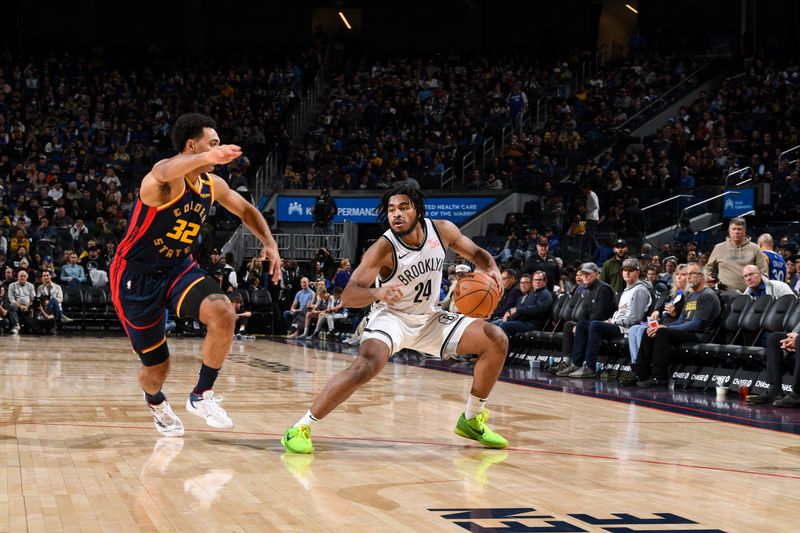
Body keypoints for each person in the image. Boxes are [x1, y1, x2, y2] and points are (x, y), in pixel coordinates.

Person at [281, 185, 509, 454]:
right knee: (368, 364)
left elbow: (477, 253)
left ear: (418, 210)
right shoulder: (383, 248)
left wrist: (492, 268)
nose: (396, 214)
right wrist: (379, 291)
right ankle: (300, 427)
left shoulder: (443, 230)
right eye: (391, 210)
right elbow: (349, 296)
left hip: (428, 317)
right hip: (391, 317)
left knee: (496, 339)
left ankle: (471, 419)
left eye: (403, 207)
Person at [109, 113, 281, 437]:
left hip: (177, 268)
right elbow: (162, 169)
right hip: (135, 277)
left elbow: (245, 210)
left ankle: (201, 394)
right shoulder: (162, 183)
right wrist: (207, 156)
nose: (219, 149)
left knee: (223, 312)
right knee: (157, 368)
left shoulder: (212, 185)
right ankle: (156, 403)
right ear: (192, 145)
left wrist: (269, 243)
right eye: (212, 143)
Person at [557, 258, 652, 378]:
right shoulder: (627, 290)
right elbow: (620, 312)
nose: (627, 273)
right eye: (625, 270)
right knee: (581, 325)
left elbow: (635, 319)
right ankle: (576, 364)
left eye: (631, 270)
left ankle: (590, 367)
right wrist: (612, 320)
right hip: (618, 324)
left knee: (595, 325)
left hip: (628, 329)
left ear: (637, 273)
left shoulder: (640, 290)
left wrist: (613, 321)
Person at [634, 262, 721, 387]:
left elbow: (695, 325)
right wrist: (660, 326)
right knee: (649, 331)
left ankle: (659, 377)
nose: (688, 277)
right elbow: (681, 321)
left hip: (700, 335)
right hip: (687, 332)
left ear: (702, 276)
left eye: (692, 273)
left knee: (662, 332)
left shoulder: (707, 295)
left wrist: (665, 327)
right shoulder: (691, 295)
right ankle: (640, 373)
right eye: (688, 274)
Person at [705, 217, 767, 291]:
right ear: (729, 231)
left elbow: (763, 273)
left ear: (744, 231)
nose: (736, 232)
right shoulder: (719, 248)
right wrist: (707, 276)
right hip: (724, 294)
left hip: (750, 295)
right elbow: (708, 267)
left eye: (739, 229)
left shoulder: (755, 248)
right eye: (733, 229)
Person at [495, 272, 553, 338]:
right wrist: (509, 312)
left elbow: (537, 308)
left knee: (504, 325)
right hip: (523, 321)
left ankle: (507, 347)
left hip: (533, 323)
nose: (537, 282)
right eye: (535, 280)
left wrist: (517, 310)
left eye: (540, 280)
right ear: (532, 282)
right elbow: (522, 307)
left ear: (545, 281)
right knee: (496, 324)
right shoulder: (532, 294)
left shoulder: (545, 294)